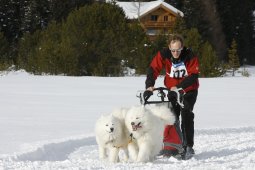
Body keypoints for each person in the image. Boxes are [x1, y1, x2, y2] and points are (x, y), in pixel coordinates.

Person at [144, 34, 199, 159]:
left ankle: (188, 146)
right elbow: (153, 69)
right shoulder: (164, 54)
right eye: (173, 50)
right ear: (169, 47)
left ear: (182, 48)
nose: (176, 53)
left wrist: (179, 87)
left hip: (188, 90)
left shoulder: (190, 55)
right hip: (172, 91)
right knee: (171, 116)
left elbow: (193, 75)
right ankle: (172, 146)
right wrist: (149, 85)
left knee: (186, 115)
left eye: (178, 50)